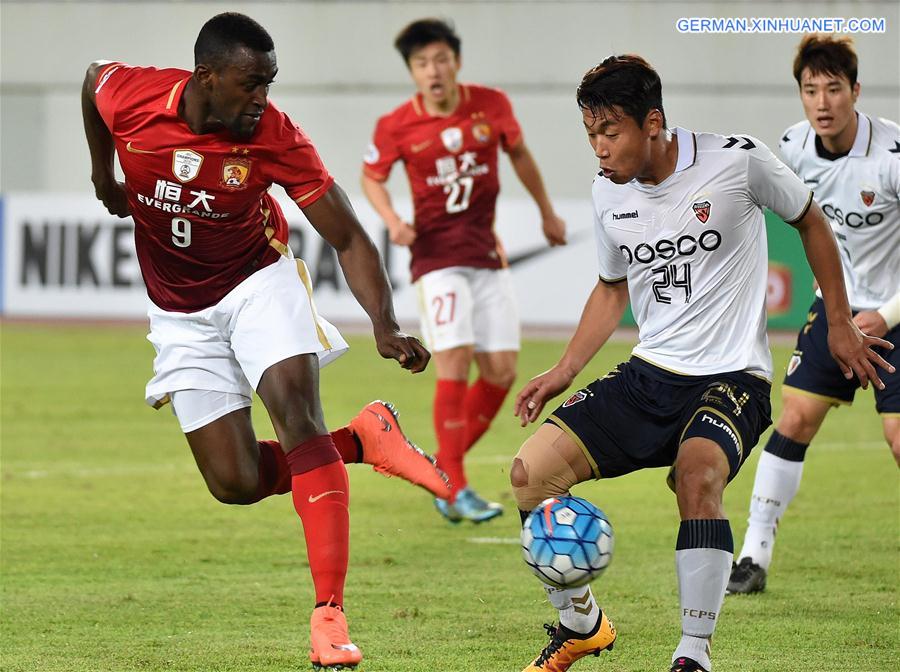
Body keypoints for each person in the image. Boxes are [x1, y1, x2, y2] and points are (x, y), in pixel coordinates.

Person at [81, 12, 451, 670]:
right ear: (207, 78)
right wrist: (102, 175)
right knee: (235, 481)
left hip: (258, 282)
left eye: (270, 84)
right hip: (178, 313)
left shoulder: (275, 137)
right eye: (251, 85)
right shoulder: (133, 98)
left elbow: (347, 236)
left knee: (296, 413)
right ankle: (364, 438)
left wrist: (385, 324)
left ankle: (329, 617)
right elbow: (91, 83)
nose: (263, 99)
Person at [509, 55, 893, 672]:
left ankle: (693, 654)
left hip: (732, 377)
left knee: (698, 478)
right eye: (590, 136)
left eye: (610, 133)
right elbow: (612, 288)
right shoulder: (608, 192)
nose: (599, 149)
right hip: (648, 375)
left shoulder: (736, 160)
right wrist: (563, 370)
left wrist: (841, 321)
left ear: (652, 123)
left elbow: (811, 220)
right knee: (530, 473)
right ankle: (581, 625)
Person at [361, 18, 567, 523]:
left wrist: (545, 211)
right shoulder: (395, 125)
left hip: (486, 255)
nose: (432, 71)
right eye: (421, 63)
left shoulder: (490, 105)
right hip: (436, 259)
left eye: (440, 59)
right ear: (412, 71)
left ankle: (438, 469)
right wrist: (392, 221)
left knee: (500, 372)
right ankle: (452, 486)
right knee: (453, 360)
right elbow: (371, 178)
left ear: (456, 61)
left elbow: (519, 155)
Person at [728, 34, 900, 596]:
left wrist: (888, 315)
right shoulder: (794, 146)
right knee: (796, 418)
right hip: (839, 306)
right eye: (810, 90)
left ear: (856, 90)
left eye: (833, 88)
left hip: (897, 310)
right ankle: (753, 557)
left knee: (898, 438)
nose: (822, 102)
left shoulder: (892, 155)